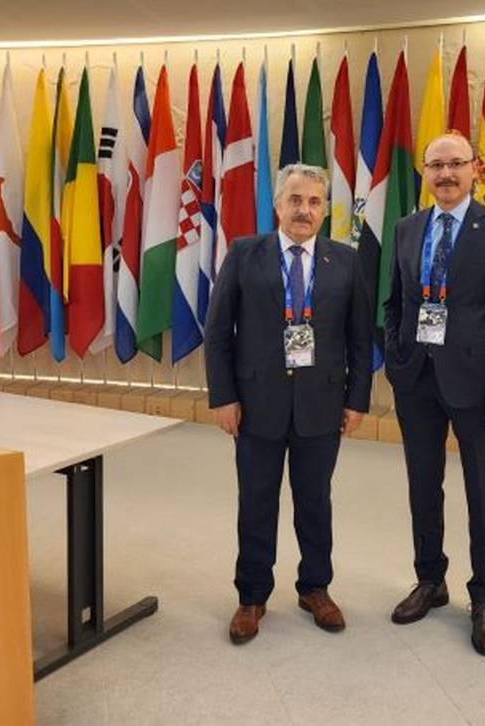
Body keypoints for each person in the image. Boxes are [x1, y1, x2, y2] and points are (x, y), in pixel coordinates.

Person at [204, 163, 373, 645]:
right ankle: (252, 595)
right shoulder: (244, 254)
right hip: (256, 404)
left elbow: (360, 339)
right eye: (295, 200)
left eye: (314, 202)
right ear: (278, 205)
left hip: (322, 404)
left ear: (325, 210)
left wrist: (357, 400)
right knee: (256, 501)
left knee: (315, 502)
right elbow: (218, 332)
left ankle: (315, 588)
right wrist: (224, 397)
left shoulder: (346, 261)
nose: (304, 210)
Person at [382, 133, 485, 656]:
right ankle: (430, 580)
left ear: (474, 169)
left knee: (483, 493)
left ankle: (484, 597)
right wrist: (397, 355)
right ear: (425, 171)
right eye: (436, 165)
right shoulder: (407, 227)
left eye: (455, 164)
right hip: (415, 378)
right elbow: (395, 302)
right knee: (423, 485)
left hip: (476, 383)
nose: (445, 174)